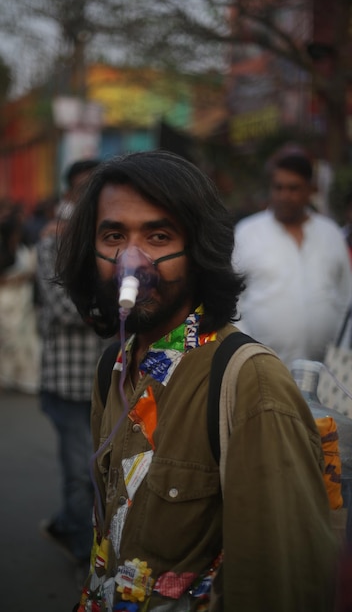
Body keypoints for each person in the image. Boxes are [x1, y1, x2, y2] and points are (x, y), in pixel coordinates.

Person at [56, 150, 337, 612]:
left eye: (159, 235)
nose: (133, 259)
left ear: (199, 248)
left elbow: (282, 581)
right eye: (113, 235)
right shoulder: (115, 368)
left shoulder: (249, 383)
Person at [36, 158, 108, 575]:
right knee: (82, 471)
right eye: (84, 188)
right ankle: (85, 554)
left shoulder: (108, 239)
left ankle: (67, 525)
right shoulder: (55, 242)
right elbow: (65, 306)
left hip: (105, 378)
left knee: (102, 469)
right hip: (65, 380)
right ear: (68, 193)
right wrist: (111, 310)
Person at [232, 149, 352, 369]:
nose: (284, 195)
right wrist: (247, 349)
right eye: (278, 187)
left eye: (293, 188)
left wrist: (341, 355)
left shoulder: (330, 233)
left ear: (310, 190)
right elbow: (233, 298)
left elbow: (346, 297)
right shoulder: (248, 233)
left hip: (326, 373)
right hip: (262, 368)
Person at [0, 200, 41, 394]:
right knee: (9, 339)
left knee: (25, 339)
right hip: (7, 301)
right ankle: (6, 376)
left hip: (23, 299)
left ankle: (21, 376)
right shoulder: (4, 253)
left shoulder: (23, 248)